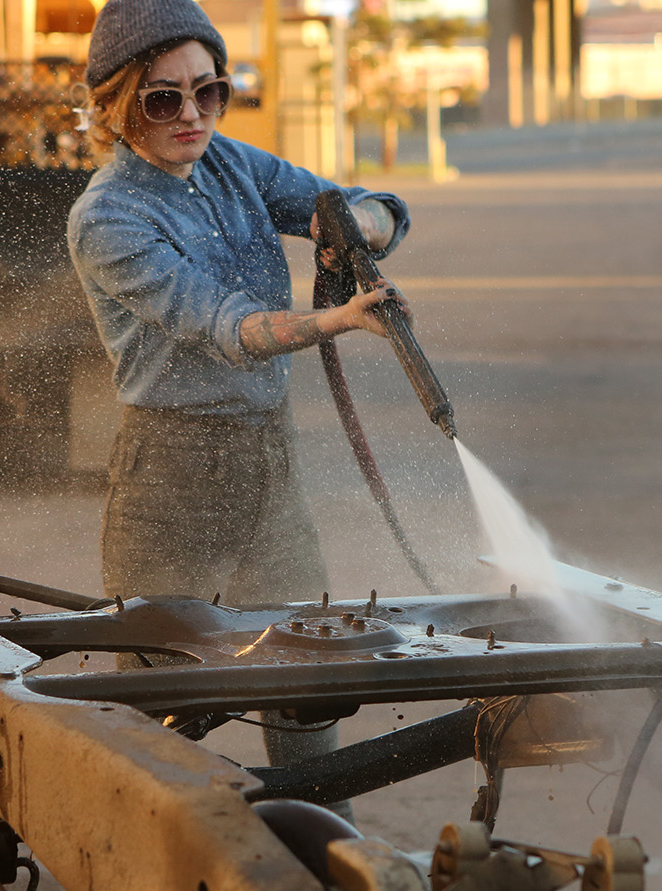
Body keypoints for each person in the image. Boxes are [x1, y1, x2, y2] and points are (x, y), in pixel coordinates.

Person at [67, 0, 412, 612]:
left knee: (305, 676)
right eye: (164, 99)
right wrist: (341, 318)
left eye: (210, 91)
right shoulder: (108, 218)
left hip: (269, 455)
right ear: (117, 106)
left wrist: (353, 226)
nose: (193, 115)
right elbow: (233, 327)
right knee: (166, 689)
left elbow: (367, 205)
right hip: (173, 473)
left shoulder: (228, 161)